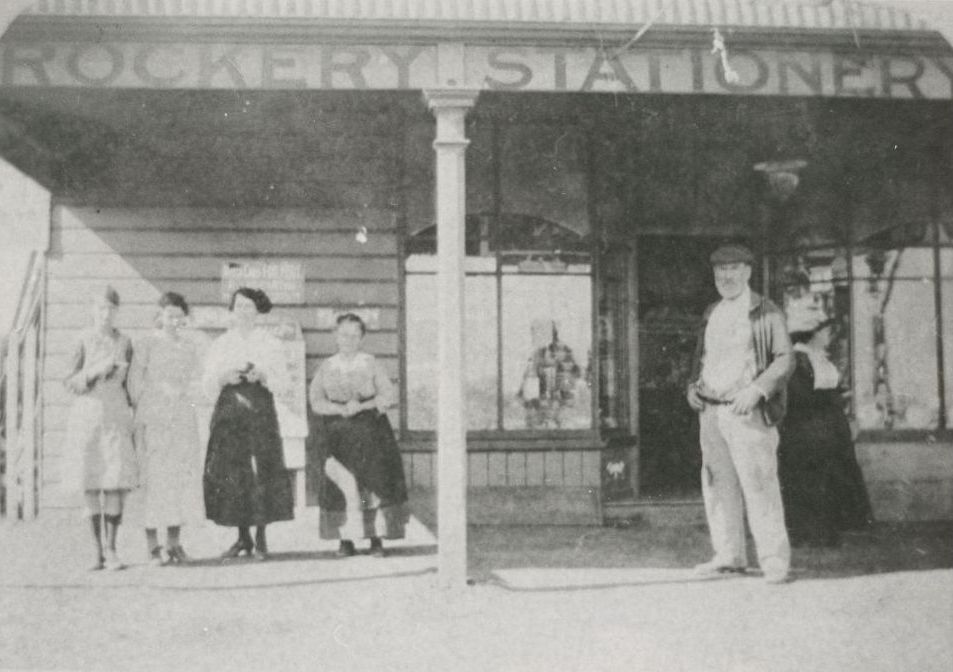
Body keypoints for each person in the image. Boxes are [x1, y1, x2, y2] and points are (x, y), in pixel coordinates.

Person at [686, 244, 795, 584]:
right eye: (721, 271)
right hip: (712, 413)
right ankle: (729, 555)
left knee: (759, 485)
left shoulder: (765, 311)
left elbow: (784, 359)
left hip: (747, 413)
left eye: (734, 269)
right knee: (718, 486)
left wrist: (757, 390)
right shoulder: (712, 312)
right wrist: (692, 386)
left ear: (748, 272)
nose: (727, 276)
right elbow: (702, 357)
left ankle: (774, 561)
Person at [201, 287, 294, 560]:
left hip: (260, 412)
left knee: (261, 469)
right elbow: (207, 384)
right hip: (229, 414)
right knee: (234, 472)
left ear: (258, 311)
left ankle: (262, 537)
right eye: (238, 306)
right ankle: (243, 538)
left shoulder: (271, 343)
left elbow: (285, 384)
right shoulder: (221, 343)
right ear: (232, 311)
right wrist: (223, 377)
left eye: (248, 307)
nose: (243, 312)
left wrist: (263, 375)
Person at [308, 313, 408, 557]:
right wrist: (338, 408)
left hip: (370, 433)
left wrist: (363, 405)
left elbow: (388, 396)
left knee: (370, 486)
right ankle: (346, 540)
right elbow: (316, 400)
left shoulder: (370, 363)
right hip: (337, 435)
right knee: (341, 486)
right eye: (344, 334)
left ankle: (374, 537)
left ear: (362, 338)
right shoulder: (327, 366)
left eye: (355, 335)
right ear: (336, 336)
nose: (349, 340)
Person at [778, 302, 874, 547]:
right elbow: (799, 395)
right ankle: (810, 533)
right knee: (811, 480)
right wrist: (834, 399)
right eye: (825, 331)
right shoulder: (797, 360)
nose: (829, 336)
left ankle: (827, 531)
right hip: (808, 430)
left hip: (826, 429)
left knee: (828, 479)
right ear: (812, 333)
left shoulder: (815, 358)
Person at [128, 292, 206, 566]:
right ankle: (153, 546)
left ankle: (174, 543)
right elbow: (135, 382)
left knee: (179, 480)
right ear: (160, 316)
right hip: (155, 418)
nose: (174, 321)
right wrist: (151, 404)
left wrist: (186, 395)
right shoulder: (147, 343)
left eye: (178, 317)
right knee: (155, 480)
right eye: (169, 316)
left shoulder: (188, 346)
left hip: (182, 418)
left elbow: (198, 380)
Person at [63, 286, 137, 571]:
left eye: (110, 309)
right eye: (100, 309)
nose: (105, 315)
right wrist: (94, 371)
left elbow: (131, 383)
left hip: (116, 413)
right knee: (92, 481)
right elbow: (69, 382)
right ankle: (97, 552)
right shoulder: (82, 340)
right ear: (92, 310)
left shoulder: (125, 341)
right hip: (88, 414)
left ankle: (113, 548)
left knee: (115, 481)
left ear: (117, 311)